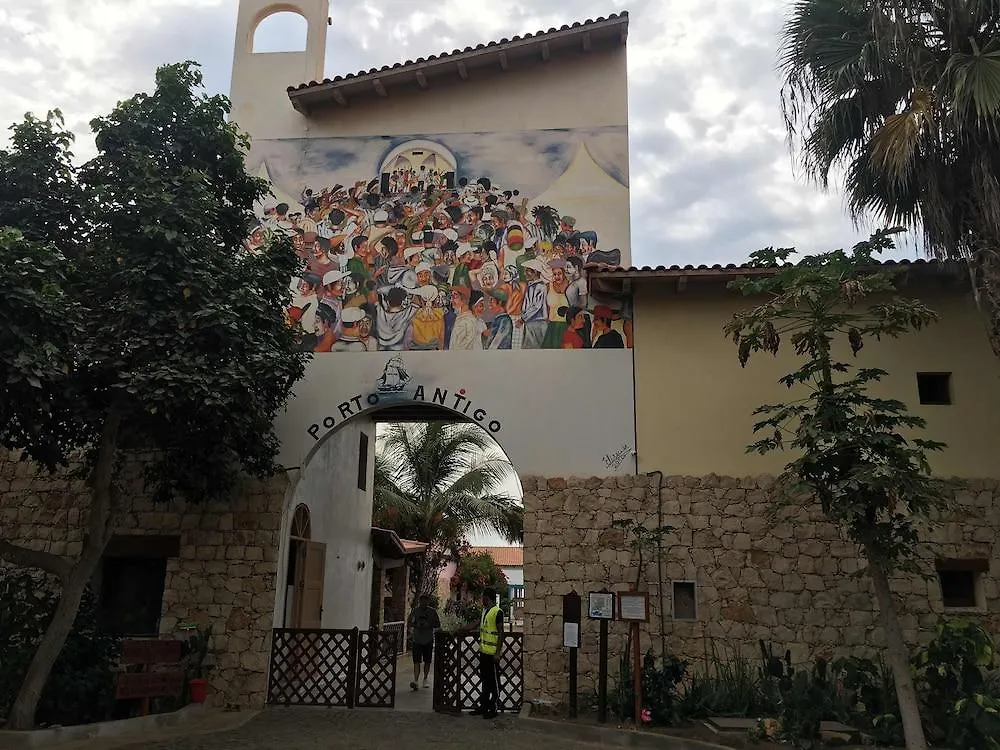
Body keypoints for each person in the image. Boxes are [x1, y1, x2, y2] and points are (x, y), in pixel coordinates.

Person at [461, 589, 504, 718]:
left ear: (488, 598)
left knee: (494, 682)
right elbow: (477, 625)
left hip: (492, 654)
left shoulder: (498, 612)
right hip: (484, 652)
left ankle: (494, 707)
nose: (482, 600)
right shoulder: (485, 611)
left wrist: (497, 653)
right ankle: (484, 706)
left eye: (483, 598)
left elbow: (501, 633)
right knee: (485, 680)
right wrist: (463, 628)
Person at [406, 594, 441, 690]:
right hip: (417, 639)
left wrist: (429, 624)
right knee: (416, 661)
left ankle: (425, 679)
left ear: (428, 602)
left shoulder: (432, 612)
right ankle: (416, 680)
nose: (423, 603)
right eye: (421, 602)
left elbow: (438, 623)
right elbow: (409, 622)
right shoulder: (415, 611)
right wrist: (416, 625)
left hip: (428, 639)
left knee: (427, 661)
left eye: (425, 602)